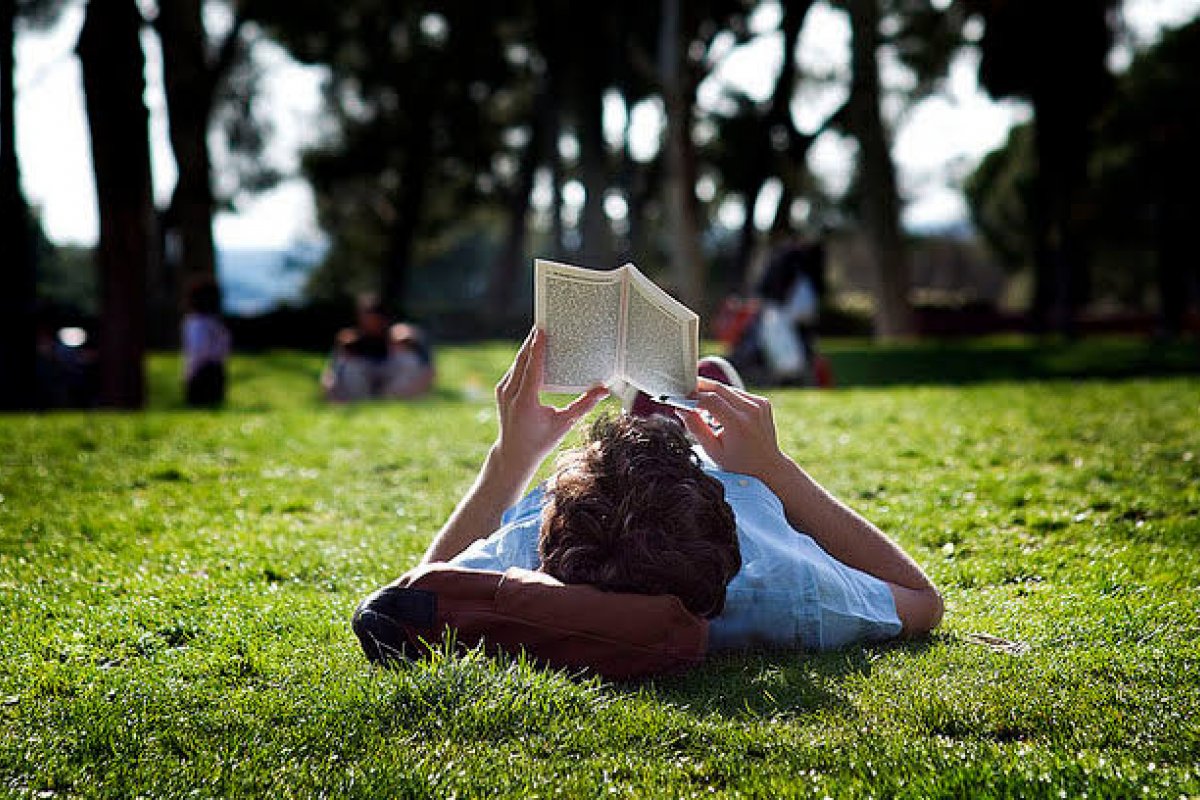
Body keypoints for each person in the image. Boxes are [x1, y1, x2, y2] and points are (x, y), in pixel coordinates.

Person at [418, 328, 943, 654]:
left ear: (555, 516)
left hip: (611, 533)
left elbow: (412, 593)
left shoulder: (525, 545)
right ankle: (679, 440)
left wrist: (509, 462)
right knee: (725, 483)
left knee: (637, 480)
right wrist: (774, 471)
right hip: (717, 522)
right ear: (722, 519)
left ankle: (658, 435)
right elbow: (922, 601)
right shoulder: (786, 580)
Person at [321, 294, 435, 402]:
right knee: (348, 365)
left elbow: (428, 371)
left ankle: (393, 401)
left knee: (409, 360)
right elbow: (331, 374)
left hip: (392, 389)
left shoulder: (400, 336)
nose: (371, 324)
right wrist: (332, 396)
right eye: (365, 318)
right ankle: (360, 403)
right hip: (360, 390)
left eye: (375, 318)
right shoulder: (351, 340)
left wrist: (406, 341)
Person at [182, 276, 232, 407]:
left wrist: (189, 372)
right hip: (216, 370)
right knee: (213, 406)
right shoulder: (217, 324)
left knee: (199, 407)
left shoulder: (195, 323)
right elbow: (224, 347)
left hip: (201, 371)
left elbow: (197, 351)